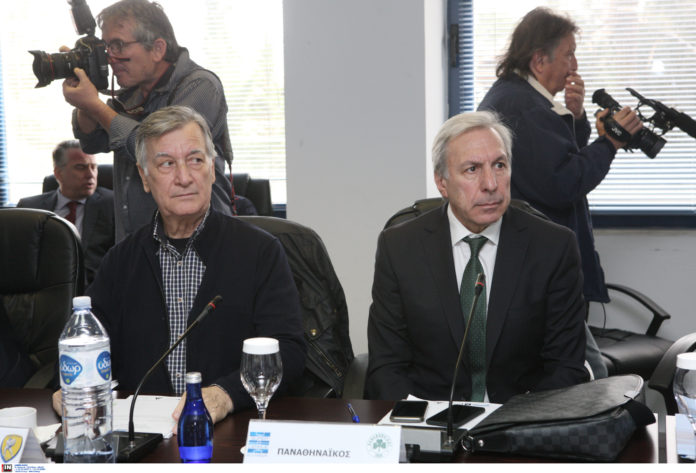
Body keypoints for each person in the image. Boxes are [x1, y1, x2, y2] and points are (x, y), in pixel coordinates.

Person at [51, 106, 305, 424]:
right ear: (145, 177)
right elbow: (84, 344)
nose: (184, 178)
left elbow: (290, 352)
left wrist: (226, 394)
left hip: (232, 429)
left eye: (195, 160)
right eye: (167, 164)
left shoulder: (260, 251)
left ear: (212, 169)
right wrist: (70, 386)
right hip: (144, 433)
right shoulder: (120, 261)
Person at [365, 111, 589, 403]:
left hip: (521, 419)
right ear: (442, 182)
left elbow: (566, 367)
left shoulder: (553, 247)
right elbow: (387, 366)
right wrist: (418, 421)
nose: (491, 184)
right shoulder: (399, 247)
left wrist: (518, 422)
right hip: (429, 419)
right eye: (472, 169)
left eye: (499, 165)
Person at [477, 8, 642, 306]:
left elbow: (557, 156)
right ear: (540, 60)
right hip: (542, 271)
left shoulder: (515, 97)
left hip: (531, 263)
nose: (575, 65)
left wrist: (576, 116)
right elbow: (563, 183)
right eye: (569, 55)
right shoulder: (525, 109)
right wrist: (610, 142)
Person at [61, 0, 235, 242]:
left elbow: (159, 151)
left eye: (118, 45)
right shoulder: (133, 93)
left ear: (157, 49)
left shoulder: (200, 86)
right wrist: (87, 87)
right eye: (106, 47)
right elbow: (92, 141)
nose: (110, 58)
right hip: (137, 246)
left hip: (199, 244)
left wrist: (95, 105)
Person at [17, 140, 114, 287]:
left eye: (94, 167)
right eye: (81, 167)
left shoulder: (112, 204)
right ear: (58, 173)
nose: (90, 174)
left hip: (94, 288)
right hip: (43, 289)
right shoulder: (29, 207)